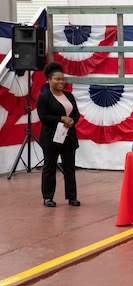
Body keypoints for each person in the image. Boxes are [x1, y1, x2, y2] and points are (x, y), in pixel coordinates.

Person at [36, 62, 81, 207]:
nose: (61, 82)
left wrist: (71, 121)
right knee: (50, 167)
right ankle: (48, 197)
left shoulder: (69, 95)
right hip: (51, 138)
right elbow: (44, 118)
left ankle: (72, 197)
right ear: (49, 80)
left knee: (69, 167)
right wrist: (61, 118)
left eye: (62, 79)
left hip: (68, 137)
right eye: (57, 79)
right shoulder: (44, 97)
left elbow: (76, 113)